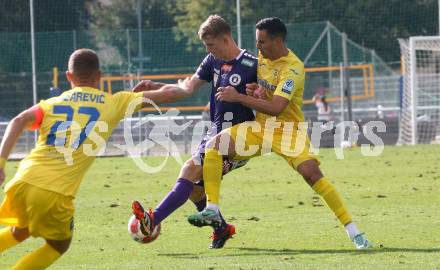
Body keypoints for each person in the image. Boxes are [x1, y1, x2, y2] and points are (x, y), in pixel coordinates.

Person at [0, 48, 196, 269]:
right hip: (54, 192)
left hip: (22, 181)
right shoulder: (115, 102)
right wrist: (185, 87)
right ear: (100, 76)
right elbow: (170, 94)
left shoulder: (51, 104)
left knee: (21, 230)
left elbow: (17, 120)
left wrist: (1, 164)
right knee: (58, 245)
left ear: (69, 76)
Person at [186, 17, 371, 249]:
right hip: (261, 128)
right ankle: (212, 209)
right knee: (214, 146)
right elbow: (264, 96)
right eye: (256, 42)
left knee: (312, 174)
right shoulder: (262, 57)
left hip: (287, 132)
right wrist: (255, 92)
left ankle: (354, 232)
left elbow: (277, 107)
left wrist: (240, 96)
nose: (257, 47)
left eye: (262, 42)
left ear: (277, 41)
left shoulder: (293, 68)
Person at [131, 14, 262, 249]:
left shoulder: (253, 65)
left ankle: (153, 219)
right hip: (214, 131)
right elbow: (186, 88)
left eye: (211, 44)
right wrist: (156, 88)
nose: (209, 50)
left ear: (225, 38)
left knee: (189, 169)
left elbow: (268, 100)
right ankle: (222, 229)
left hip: (241, 137)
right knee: (194, 190)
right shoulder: (212, 60)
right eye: (206, 46)